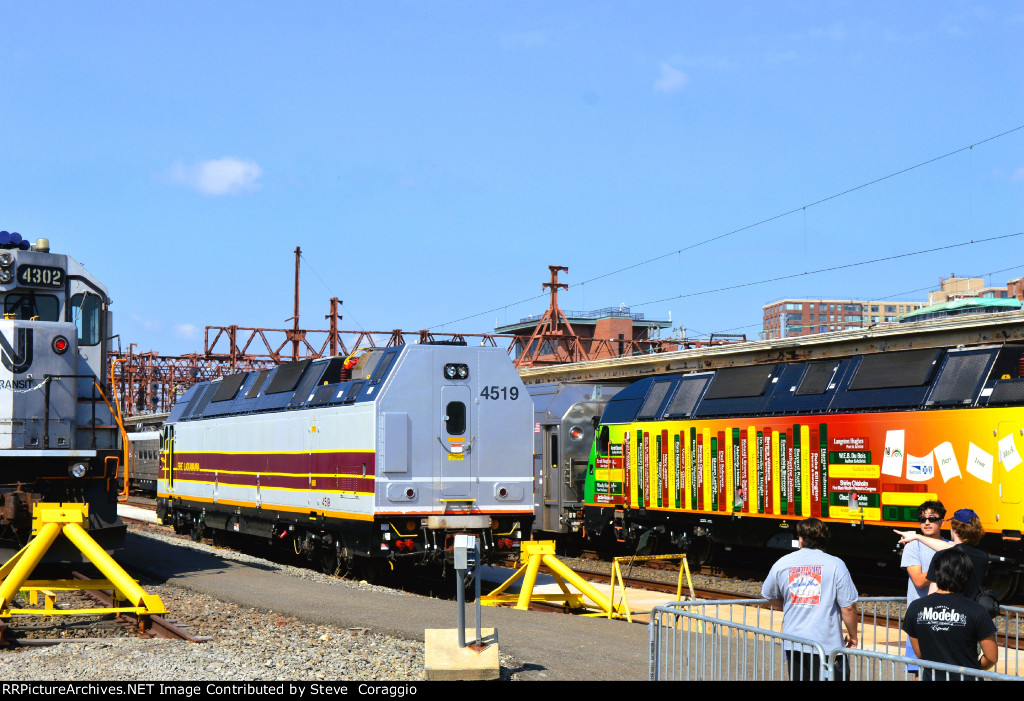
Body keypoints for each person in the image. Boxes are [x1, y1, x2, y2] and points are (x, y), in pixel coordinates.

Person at [762, 517, 859, 681]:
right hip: (826, 643)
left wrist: (790, 605)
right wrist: (853, 635)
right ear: (825, 540)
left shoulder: (782, 563)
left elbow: (768, 594)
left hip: (793, 641)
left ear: (801, 540)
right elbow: (848, 607)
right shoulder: (836, 564)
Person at [902, 548, 998, 680]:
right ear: (966, 575)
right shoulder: (977, 610)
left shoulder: (916, 607)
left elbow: (920, 654)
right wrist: (973, 666)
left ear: (936, 572)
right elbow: (991, 657)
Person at [895, 508, 990, 604]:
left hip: (950, 612)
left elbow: (932, 596)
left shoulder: (941, 556)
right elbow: (958, 549)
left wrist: (917, 537)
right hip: (970, 612)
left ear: (954, 529)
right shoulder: (983, 557)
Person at [898, 500, 948, 667]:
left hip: (945, 617)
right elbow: (919, 581)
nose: (927, 522)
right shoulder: (913, 546)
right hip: (920, 618)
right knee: (919, 671)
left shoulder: (948, 546)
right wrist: (943, 567)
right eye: (922, 519)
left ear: (941, 521)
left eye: (932, 518)